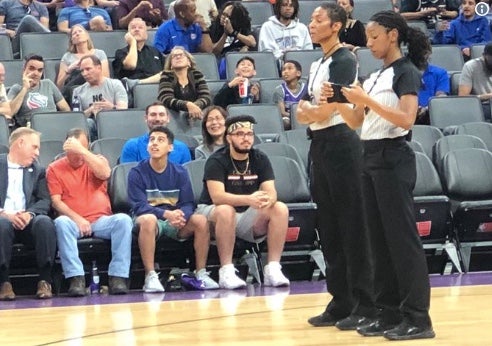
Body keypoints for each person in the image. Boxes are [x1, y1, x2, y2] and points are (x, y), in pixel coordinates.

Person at [334, 10, 435, 340]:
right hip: (370, 155)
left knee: (401, 241)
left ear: (393, 35)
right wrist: (342, 103)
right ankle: (388, 313)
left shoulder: (405, 71)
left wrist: (366, 100)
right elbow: (355, 123)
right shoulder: (377, 75)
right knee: (377, 241)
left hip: (394, 157)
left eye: (375, 36)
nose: (370, 43)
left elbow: (406, 119)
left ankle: (418, 318)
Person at [296, 2, 376, 332]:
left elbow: (332, 108)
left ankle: (364, 303)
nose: (311, 24)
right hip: (321, 146)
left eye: (318, 19)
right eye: (311, 19)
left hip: (343, 145)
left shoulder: (344, 59)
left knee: (352, 226)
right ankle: (340, 299)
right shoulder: (319, 63)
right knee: (329, 227)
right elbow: (307, 111)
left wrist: (310, 112)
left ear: (336, 25)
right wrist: (311, 112)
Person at [196, 115, 290, 289]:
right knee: (226, 210)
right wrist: (249, 199)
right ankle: (226, 271)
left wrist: (268, 199)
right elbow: (218, 197)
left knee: (280, 208)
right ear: (229, 137)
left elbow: (271, 191)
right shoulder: (216, 160)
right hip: (212, 212)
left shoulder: (260, 158)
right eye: (239, 134)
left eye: (249, 134)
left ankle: (273, 269)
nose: (246, 138)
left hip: (246, 214)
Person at [128, 126, 219, 292]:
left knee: (200, 220)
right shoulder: (136, 172)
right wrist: (166, 214)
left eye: (160, 140)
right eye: (152, 140)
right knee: (149, 219)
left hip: (173, 221)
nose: (154, 143)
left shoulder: (180, 172)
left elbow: (188, 202)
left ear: (170, 147)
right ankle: (150, 276)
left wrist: (181, 216)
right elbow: (139, 206)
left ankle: (201, 273)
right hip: (148, 219)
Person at [46, 128, 133, 297]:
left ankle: (118, 277)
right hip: (73, 221)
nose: (80, 154)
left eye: (84, 148)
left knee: (123, 220)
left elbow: (105, 173)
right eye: (76, 149)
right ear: (67, 147)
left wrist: (83, 152)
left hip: (101, 220)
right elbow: (56, 201)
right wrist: (78, 219)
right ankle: (75, 278)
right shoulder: (54, 168)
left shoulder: (96, 161)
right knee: (61, 223)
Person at [0, 128, 56, 300]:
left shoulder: (38, 170)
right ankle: (4, 282)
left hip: (27, 223)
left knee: (45, 223)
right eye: (35, 147)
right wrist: (4, 214)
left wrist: (29, 214)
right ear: (20, 143)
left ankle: (45, 281)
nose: (37, 153)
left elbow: (44, 200)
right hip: (3, 219)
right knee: (1, 225)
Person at [73, 54, 128, 139]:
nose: (84, 74)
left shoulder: (115, 84)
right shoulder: (78, 91)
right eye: (82, 71)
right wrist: (90, 110)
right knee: (88, 123)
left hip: (114, 123)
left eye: (88, 69)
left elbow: (124, 111)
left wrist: (111, 107)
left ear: (99, 68)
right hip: (91, 126)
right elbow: (77, 119)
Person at [8, 54, 70, 128]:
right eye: (32, 68)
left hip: (53, 126)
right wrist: (25, 88)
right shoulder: (16, 88)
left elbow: (66, 110)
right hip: (30, 130)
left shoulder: (48, 84)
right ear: (24, 70)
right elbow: (10, 112)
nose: (36, 73)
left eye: (39, 70)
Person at [120, 101, 192, 164]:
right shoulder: (132, 145)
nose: (157, 119)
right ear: (146, 118)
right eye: (153, 115)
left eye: (161, 115)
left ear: (168, 118)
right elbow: (127, 176)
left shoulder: (182, 148)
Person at [56, 24, 110, 99]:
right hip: (74, 91)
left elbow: (105, 77)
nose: (77, 34)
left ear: (87, 36)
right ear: (72, 40)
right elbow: (59, 85)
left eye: (80, 31)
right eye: (74, 33)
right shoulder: (67, 57)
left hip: (96, 88)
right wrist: (69, 70)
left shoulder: (99, 53)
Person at [157, 46, 211, 120]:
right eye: (174, 56)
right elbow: (166, 98)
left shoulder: (197, 75)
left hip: (196, 116)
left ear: (189, 62)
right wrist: (187, 105)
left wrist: (194, 107)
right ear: (171, 65)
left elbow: (206, 97)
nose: (178, 57)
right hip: (174, 118)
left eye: (181, 55)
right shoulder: (166, 76)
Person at [210, 1, 256, 79]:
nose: (223, 17)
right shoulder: (215, 26)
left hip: (239, 58)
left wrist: (233, 33)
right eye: (223, 14)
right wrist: (225, 33)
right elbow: (214, 51)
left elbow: (252, 42)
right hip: (222, 59)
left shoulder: (242, 26)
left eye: (227, 16)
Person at [458, 42, 492, 122]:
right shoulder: (471, 66)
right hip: (482, 105)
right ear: (484, 56)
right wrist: (488, 96)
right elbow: (462, 97)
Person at [272, 59, 307, 130]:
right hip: (288, 117)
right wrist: (295, 117)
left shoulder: (306, 89)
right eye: (283, 69)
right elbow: (282, 112)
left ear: (298, 73)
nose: (285, 72)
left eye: (290, 68)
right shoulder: (279, 90)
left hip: (304, 116)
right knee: (285, 122)